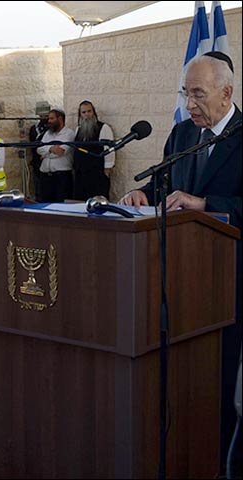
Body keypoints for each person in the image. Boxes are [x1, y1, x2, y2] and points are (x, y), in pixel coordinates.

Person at [119, 52, 241, 473]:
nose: (190, 104)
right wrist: (144, 197)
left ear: (226, 94)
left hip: (229, 285)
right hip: (178, 281)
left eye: (198, 94)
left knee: (220, 385)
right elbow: (164, 187)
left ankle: (220, 461)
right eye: (185, 93)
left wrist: (206, 204)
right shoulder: (182, 134)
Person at [72, 100, 115, 200]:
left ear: (93, 112)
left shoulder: (104, 128)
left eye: (89, 111)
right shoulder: (78, 129)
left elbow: (109, 149)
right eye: (84, 112)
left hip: (97, 172)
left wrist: (107, 169)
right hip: (81, 173)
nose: (87, 114)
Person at [36, 108, 75, 203]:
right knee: (45, 205)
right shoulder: (47, 133)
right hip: (45, 175)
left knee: (61, 206)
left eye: (51, 118)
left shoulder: (69, 133)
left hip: (61, 176)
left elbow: (60, 151)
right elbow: (38, 149)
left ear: (60, 119)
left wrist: (46, 153)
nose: (49, 121)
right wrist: (50, 149)